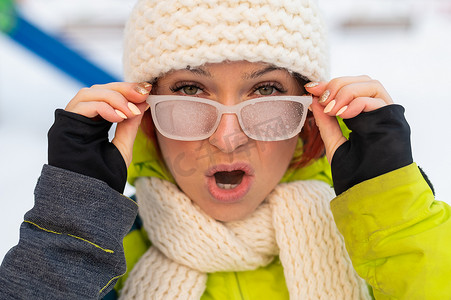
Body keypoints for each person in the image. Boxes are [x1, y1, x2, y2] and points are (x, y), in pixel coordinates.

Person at [1, 0, 450, 299]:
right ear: (145, 110)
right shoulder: (99, 256)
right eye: (191, 91)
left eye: (267, 91)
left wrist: (393, 214)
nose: (228, 137)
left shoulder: (373, 247)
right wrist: (69, 225)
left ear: (311, 112)